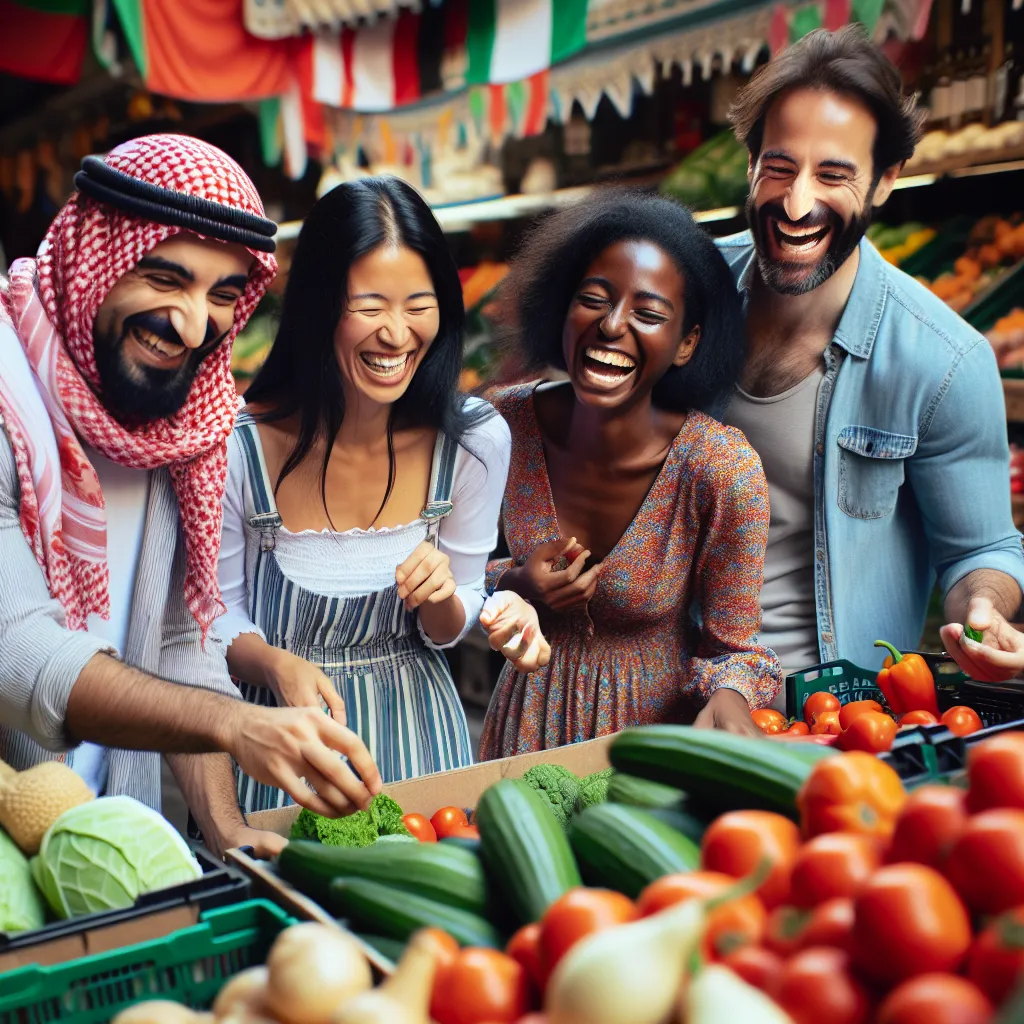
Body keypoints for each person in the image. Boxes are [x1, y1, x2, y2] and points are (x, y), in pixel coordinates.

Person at [0, 135, 382, 856]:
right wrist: (234, 723)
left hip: (120, 836)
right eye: (165, 279)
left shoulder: (183, 424)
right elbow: (16, 647)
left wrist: (226, 827)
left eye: (222, 295)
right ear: (94, 260)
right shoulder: (6, 393)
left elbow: (179, 637)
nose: (192, 323)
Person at [216, 176, 549, 811]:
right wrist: (274, 665)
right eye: (369, 307)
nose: (397, 334)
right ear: (318, 307)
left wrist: (447, 597)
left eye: (418, 305)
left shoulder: (475, 442)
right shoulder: (240, 447)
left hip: (425, 746)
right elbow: (213, 620)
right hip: (283, 747)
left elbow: (450, 626)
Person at [717, 26, 1024, 687]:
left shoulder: (942, 362)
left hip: (817, 713)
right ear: (750, 165)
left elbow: (984, 549)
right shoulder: (681, 290)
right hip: (650, 682)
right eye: (778, 167)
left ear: (886, 181)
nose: (798, 204)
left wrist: (982, 609)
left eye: (834, 175)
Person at [480, 191, 781, 757]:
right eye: (593, 299)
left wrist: (734, 695)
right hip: (520, 734)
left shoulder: (720, 468)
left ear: (687, 342)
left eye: (648, 314)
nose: (612, 325)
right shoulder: (503, 424)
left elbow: (735, 649)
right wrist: (514, 584)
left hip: (652, 749)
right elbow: (444, 576)